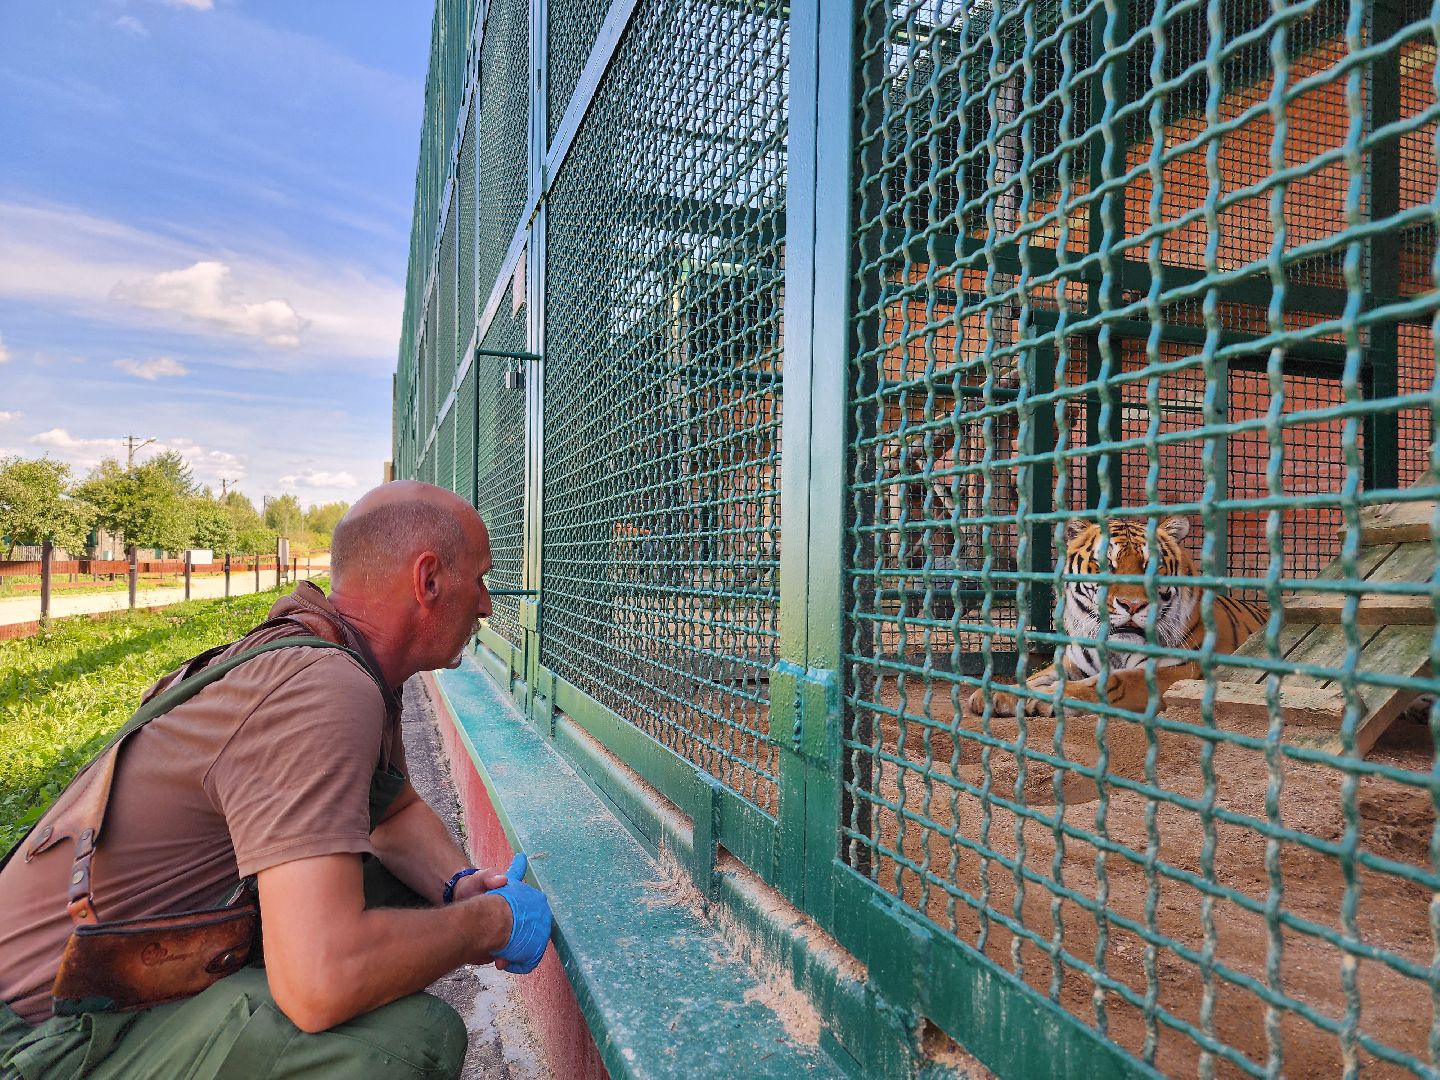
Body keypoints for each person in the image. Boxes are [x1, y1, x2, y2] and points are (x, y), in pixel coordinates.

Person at [0, 481, 551, 1080]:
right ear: (428, 581)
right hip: (37, 1042)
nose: (487, 605)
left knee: (382, 889)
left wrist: (461, 885)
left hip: (93, 994)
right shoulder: (325, 690)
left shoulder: (330, 653)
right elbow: (321, 980)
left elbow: (387, 816)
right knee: (405, 1043)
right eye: (481, 579)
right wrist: (491, 923)